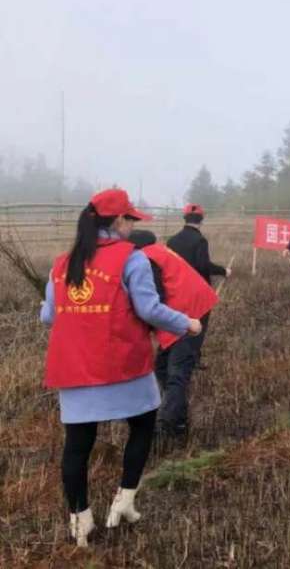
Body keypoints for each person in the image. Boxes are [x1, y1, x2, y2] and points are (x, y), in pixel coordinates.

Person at [40, 189, 201, 547]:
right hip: (122, 364)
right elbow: (149, 309)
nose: (132, 226)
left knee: (77, 446)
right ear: (117, 220)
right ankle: (125, 499)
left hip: (75, 367)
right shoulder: (132, 259)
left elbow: (48, 316)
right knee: (143, 426)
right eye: (130, 219)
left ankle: (80, 521)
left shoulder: (62, 264)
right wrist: (187, 323)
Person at [128, 230, 218, 441]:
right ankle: (178, 418)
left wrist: (142, 327)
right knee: (162, 366)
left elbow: (154, 301)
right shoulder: (157, 251)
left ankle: (167, 427)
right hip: (186, 308)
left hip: (189, 312)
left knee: (177, 371)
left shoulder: (146, 259)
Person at [166, 204, 230, 360]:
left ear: (185, 219)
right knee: (198, 327)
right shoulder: (200, 241)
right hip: (196, 293)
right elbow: (203, 265)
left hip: (175, 291)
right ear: (201, 220)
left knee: (178, 325)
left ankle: (174, 356)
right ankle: (192, 359)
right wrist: (223, 271)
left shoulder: (172, 241)